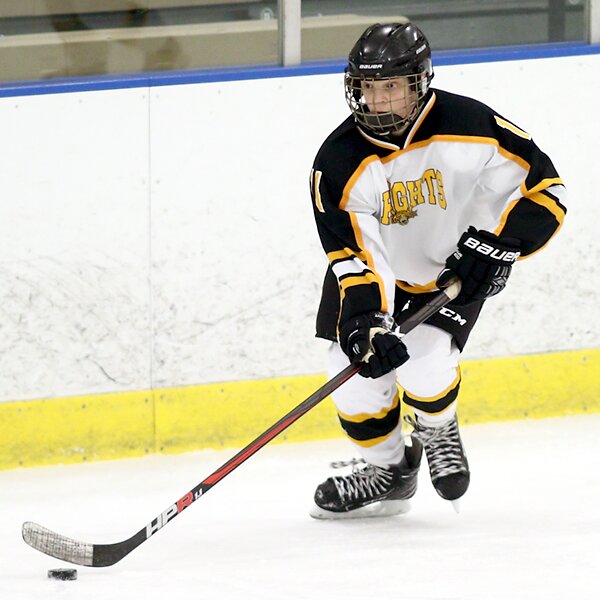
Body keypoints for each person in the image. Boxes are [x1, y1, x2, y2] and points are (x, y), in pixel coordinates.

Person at [308, 22, 567, 518]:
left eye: (390, 86)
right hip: (375, 277)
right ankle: (388, 472)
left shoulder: (471, 123)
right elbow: (353, 253)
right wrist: (367, 321)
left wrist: (500, 247)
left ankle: (437, 423)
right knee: (351, 374)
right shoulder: (337, 160)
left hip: (451, 276)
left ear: (419, 81)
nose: (377, 101)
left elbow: (546, 189)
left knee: (425, 364)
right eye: (367, 87)